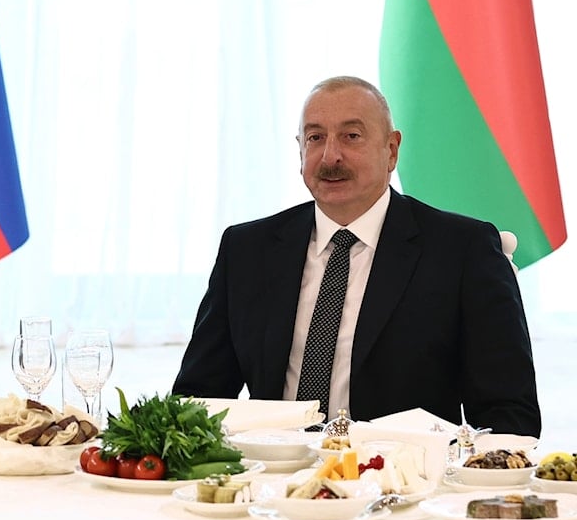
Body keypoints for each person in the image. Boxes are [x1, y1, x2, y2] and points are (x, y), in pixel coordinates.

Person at [172, 76, 541, 437]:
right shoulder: (246, 249)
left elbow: (509, 416)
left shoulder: (464, 249)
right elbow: (197, 399)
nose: (330, 156)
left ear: (391, 150)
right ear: (300, 150)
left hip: (405, 486)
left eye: (351, 136)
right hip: (274, 484)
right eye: (316, 138)